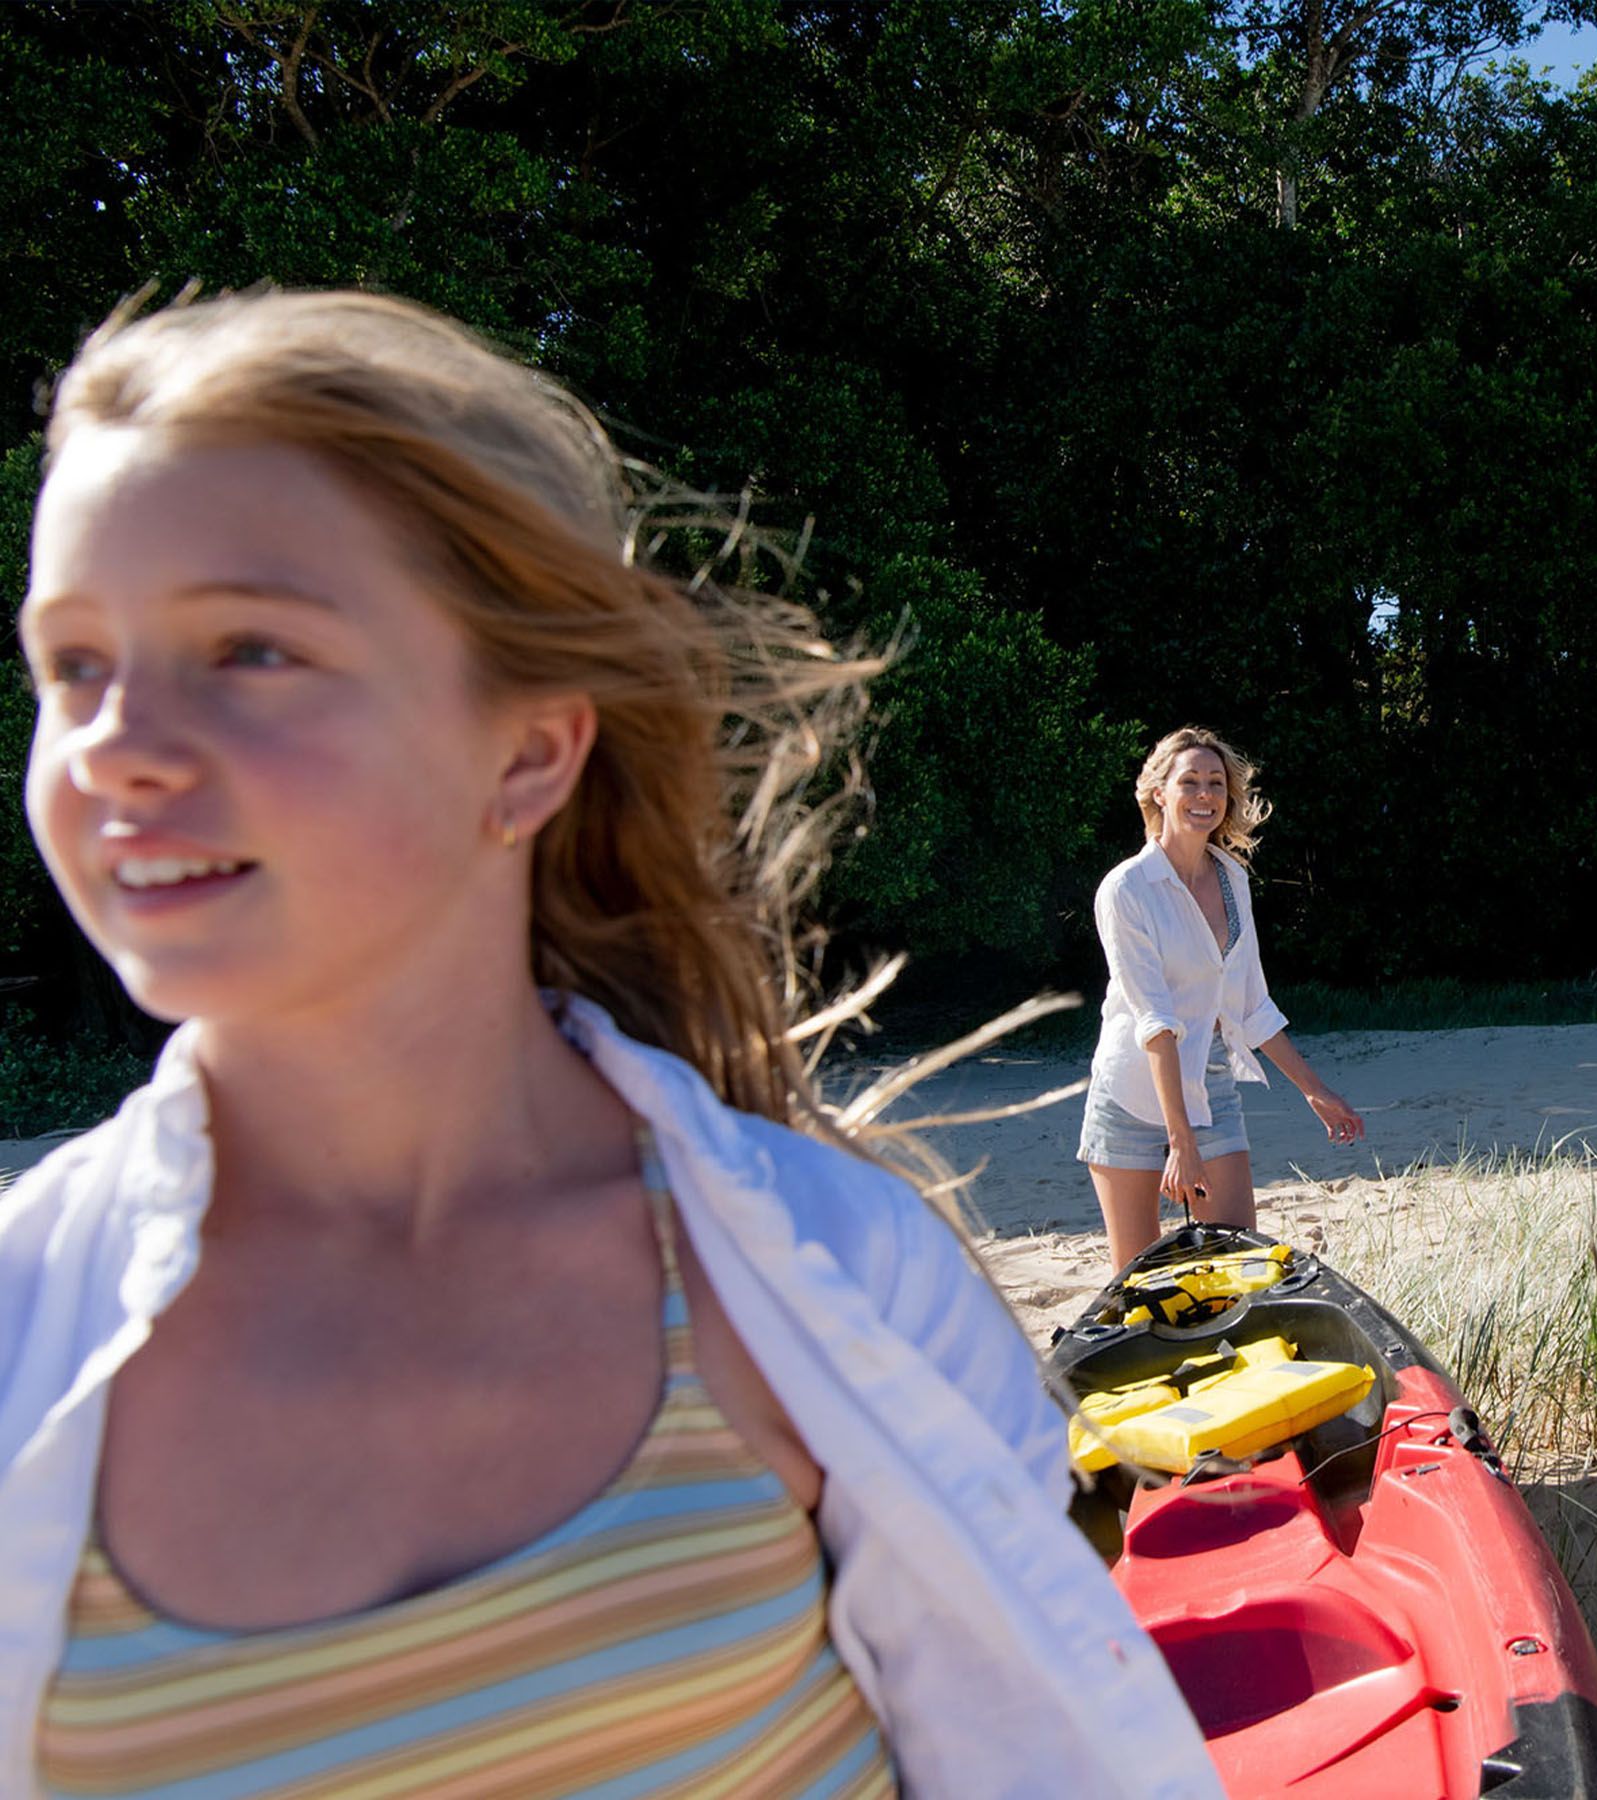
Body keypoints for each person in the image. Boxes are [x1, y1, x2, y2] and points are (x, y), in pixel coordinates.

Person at [2, 289, 1220, 1798]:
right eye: (70, 666)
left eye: (248, 648)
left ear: (525, 751)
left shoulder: (836, 1279)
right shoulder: (17, 1334)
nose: (113, 740)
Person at [1079, 728, 1364, 1270]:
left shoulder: (1233, 879)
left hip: (1210, 1081)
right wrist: (1178, 1138)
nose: (1205, 794)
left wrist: (1315, 1090)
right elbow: (1155, 1022)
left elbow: (1250, 1005)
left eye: (1216, 783)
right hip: (1132, 1091)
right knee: (1138, 1284)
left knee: (1236, 1264)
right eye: (1190, 781)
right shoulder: (1126, 889)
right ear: (1159, 792)